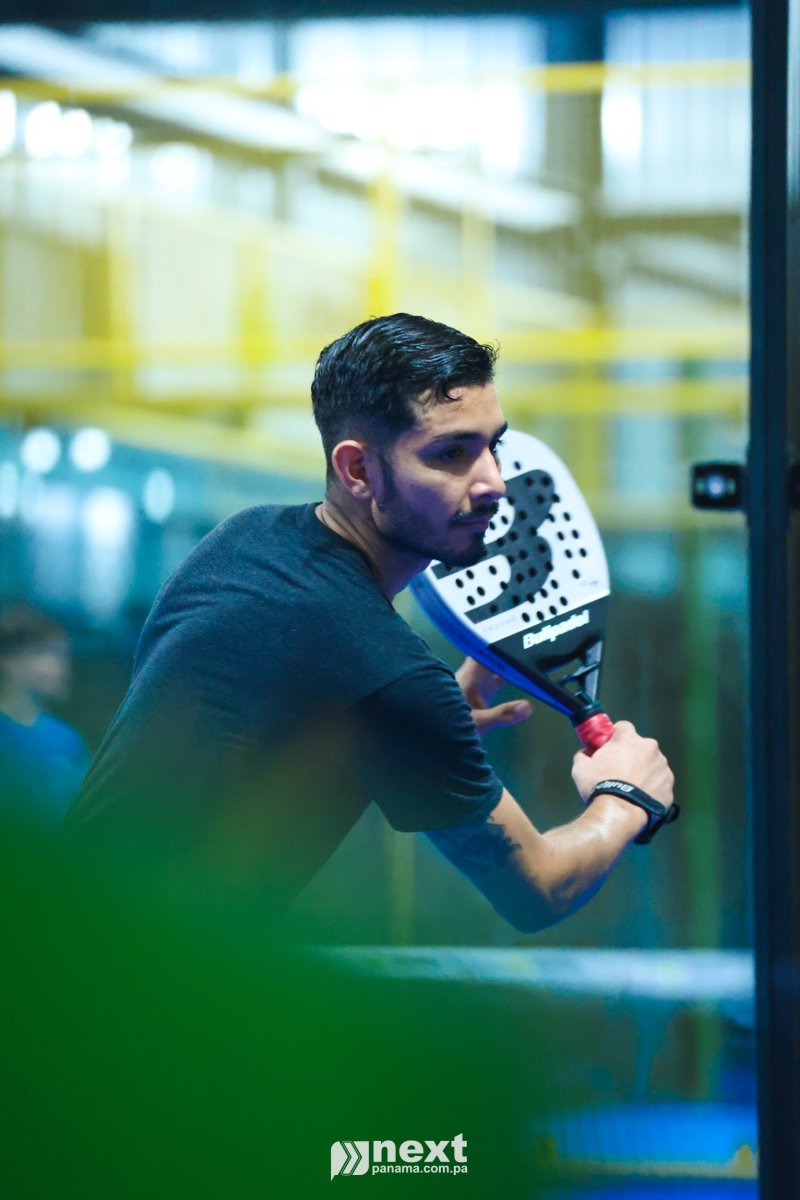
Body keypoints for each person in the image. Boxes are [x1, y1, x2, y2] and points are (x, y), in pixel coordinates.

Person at [64, 314, 674, 929]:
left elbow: (246, 744)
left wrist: (412, 730)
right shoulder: (387, 676)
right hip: (139, 981)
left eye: (494, 445)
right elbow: (539, 891)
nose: (494, 482)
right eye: (451, 454)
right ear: (358, 470)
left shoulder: (243, 541)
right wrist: (623, 797)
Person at [0, 604, 91, 827]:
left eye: (64, 655)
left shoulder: (68, 739)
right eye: (47, 653)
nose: (62, 666)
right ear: (9, 661)